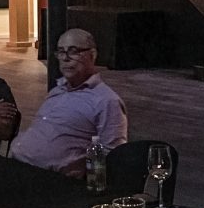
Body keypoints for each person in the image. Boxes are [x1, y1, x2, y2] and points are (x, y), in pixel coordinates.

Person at [11, 29, 127, 178]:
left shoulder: (105, 100)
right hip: (16, 165)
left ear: (92, 55)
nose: (65, 58)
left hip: (49, 180)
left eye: (73, 51)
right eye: (61, 52)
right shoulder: (56, 91)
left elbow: (114, 155)